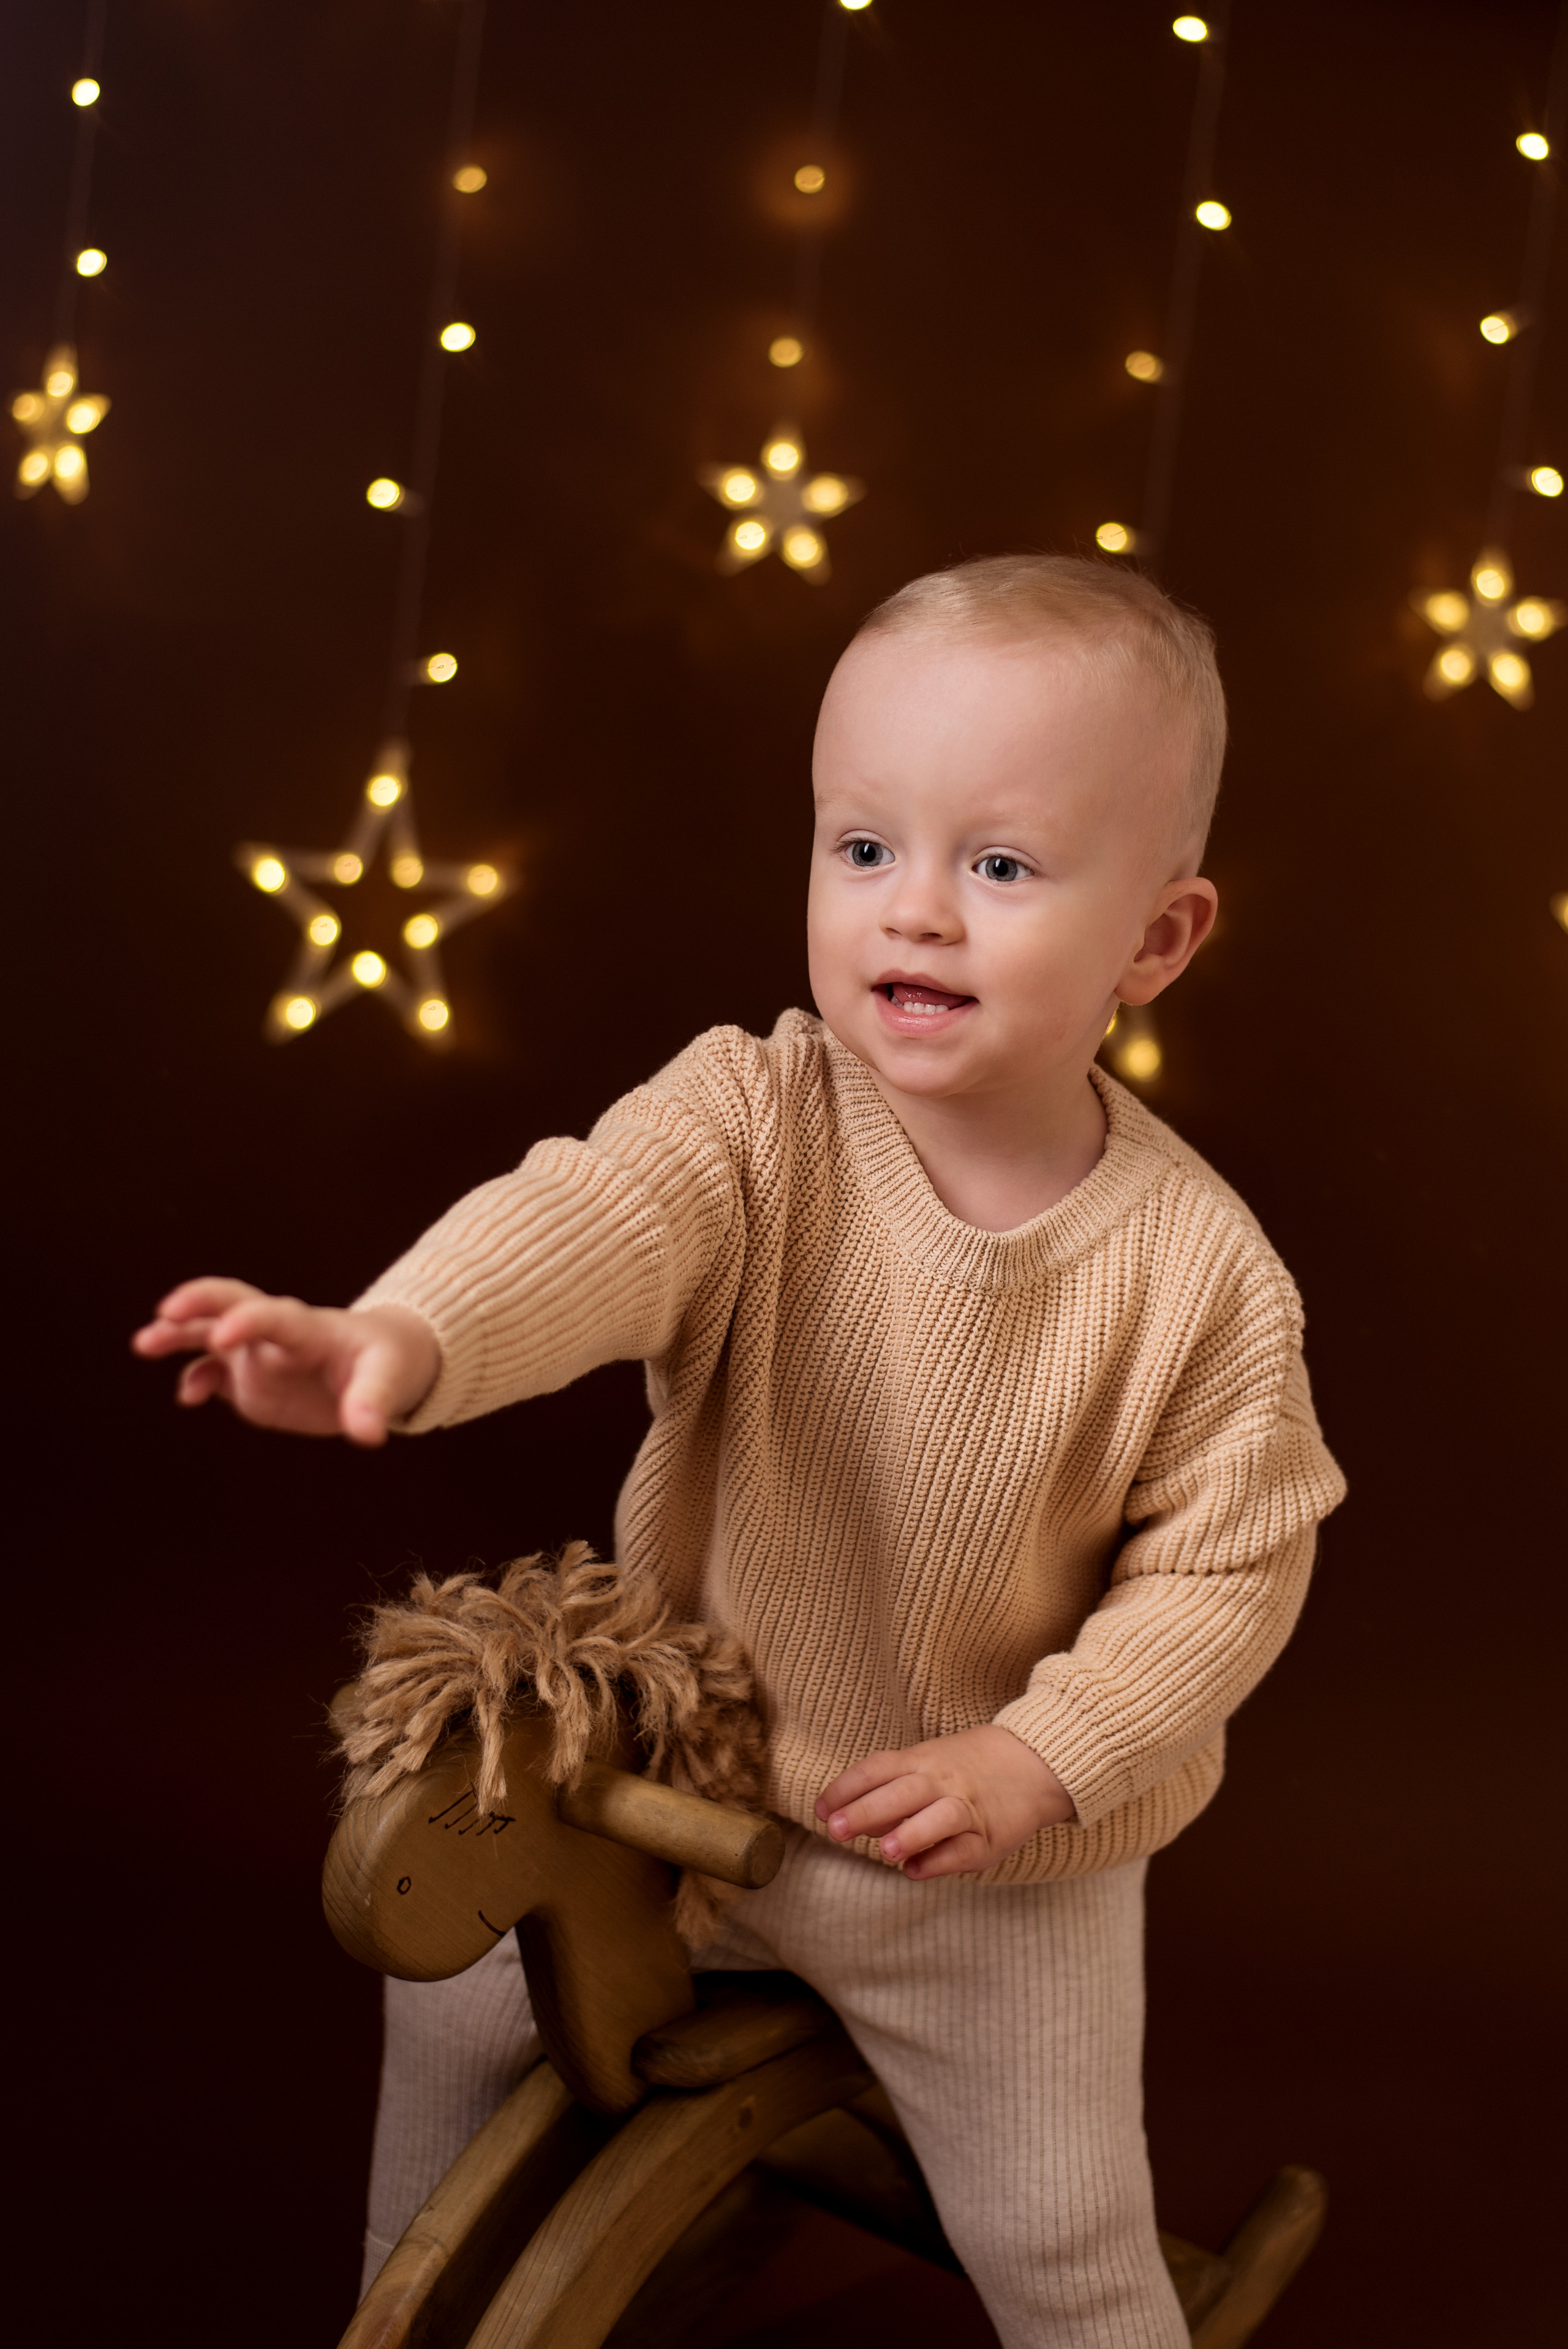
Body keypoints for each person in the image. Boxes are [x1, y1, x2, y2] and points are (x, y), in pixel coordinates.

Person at [134, 554, 1345, 2348]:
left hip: (970, 1864)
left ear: (1158, 940)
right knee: (458, 1981)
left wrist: (1044, 1755)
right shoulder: (757, 1115)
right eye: (864, 846)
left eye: (1001, 867)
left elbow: (1230, 1570)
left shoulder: (1198, 1279)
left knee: (1061, 2234)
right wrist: (405, 1335)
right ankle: (413, 2294)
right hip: (674, 1783)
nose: (913, 912)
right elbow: (591, 1219)